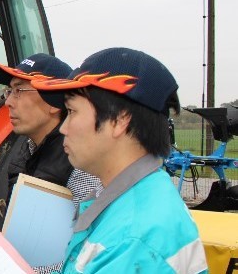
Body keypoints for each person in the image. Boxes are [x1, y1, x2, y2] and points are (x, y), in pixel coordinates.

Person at [31, 47, 208, 273]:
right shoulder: (133, 197)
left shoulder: (132, 239)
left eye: (72, 112)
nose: (63, 128)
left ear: (119, 120)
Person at [0, 54, 102, 204]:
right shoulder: (27, 151)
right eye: (9, 91)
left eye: (19, 91)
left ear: (53, 103)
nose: (8, 102)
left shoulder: (81, 169)